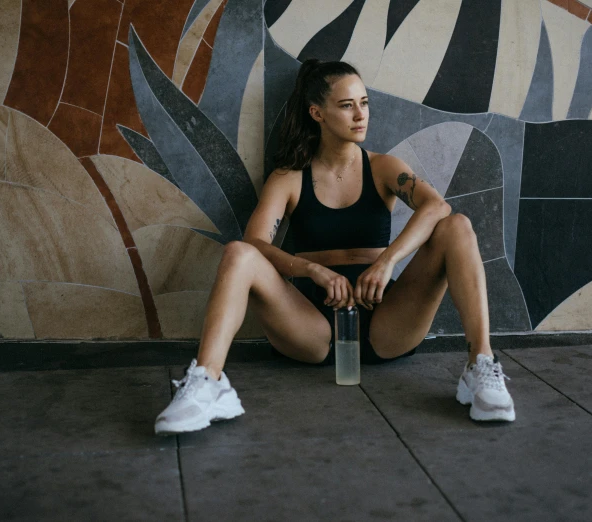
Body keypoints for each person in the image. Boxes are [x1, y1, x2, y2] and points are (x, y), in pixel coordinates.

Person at [154, 59, 515, 435]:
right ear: (317, 113)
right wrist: (309, 269)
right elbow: (255, 242)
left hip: (388, 324)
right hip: (310, 327)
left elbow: (437, 206)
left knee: (457, 226)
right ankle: (208, 383)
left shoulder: (383, 167)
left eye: (364, 103)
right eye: (347, 105)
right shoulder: (289, 178)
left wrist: (388, 261)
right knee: (237, 253)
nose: (360, 115)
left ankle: (481, 366)